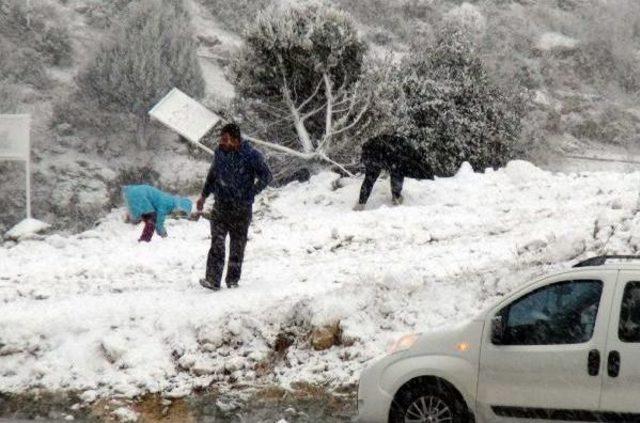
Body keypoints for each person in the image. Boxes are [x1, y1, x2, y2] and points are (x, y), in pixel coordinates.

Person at [197, 123, 272, 291]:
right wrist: (203, 195)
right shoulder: (219, 153)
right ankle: (212, 280)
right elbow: (213, 175)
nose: (222, 143)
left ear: (236, 140)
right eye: (221, 139)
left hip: (241, 208)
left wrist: (251, 192)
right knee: (217, 241)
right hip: (221, 206)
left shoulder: (251, 155)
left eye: (225, 140)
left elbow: (267, 176)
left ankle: (232, 280)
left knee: (237, 245)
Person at [122, 184, 193, 242]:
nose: (178, 215)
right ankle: (144, 241)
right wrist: (164, 234)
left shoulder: (168, 199)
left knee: (147, 217)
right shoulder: (167, 203)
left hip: (135, 193)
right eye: (181, 212)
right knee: (152, 219)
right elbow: (159, 222)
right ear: (179, 206)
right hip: (139, 195)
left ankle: (130, 218)